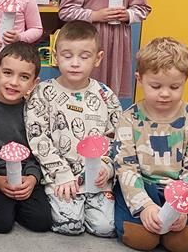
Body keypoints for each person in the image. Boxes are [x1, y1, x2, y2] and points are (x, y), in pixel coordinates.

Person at [112, 38, 188, 252]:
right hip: (141, 184)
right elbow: (125, 167)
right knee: (141, 239)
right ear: (139, 79)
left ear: (185, 80)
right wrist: (144, 206)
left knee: (183, 243)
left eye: (174, 87)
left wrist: (183, 209)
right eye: (156, 86)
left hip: (179, 189)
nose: (165, 93)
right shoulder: (128, 119)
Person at [25, 21, 120, 237]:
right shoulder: (42, 93)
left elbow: (117, 138)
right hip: (60, 177)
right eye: (67, 56)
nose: (75, 63)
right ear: (56, 56)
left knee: (105, 228)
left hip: (98, 180)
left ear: (98, 58)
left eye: (84, 57)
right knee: (70, 225)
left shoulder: (105, 95)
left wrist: (107, 167)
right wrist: (61, 173)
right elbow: (39, 138)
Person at [0, 42, 51, 234]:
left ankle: (15, 205)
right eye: (7, 73)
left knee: (41, 221)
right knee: (0, 223)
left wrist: (32, 178)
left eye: (24, 77)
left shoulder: (34, 112)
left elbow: (39, 150)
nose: (14, 82)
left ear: (34, 83)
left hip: (24, 174)